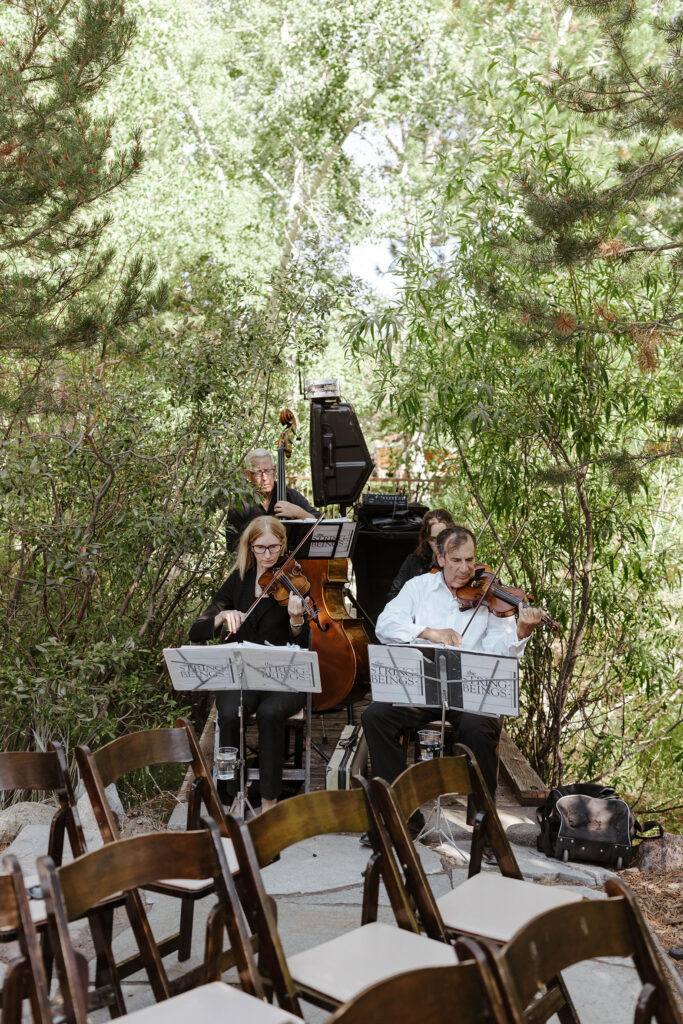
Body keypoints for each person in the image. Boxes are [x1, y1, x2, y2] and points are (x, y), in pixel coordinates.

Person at [361, 524, 542, 838]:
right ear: (440, 557)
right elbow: (386, 624)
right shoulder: (419, 587)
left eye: (470, 560)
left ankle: (484, 827)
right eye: (456, 560)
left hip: (468, 692)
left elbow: (501, 654)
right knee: (376, 716)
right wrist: (429, 632)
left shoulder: (490, 598)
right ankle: (400, 815)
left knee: (480, 725)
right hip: (422, 688)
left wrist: (520, 634)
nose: (465, 568)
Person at [189, 516, 309, 813]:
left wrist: (296, 620)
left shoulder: (293, 581)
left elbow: (304, 641)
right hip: (242, 675)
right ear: (249, 547)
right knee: (229, 712)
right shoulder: (239, 580)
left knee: (270, 713)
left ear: (283, 545)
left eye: (274, 547)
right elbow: (198, 628)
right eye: (260, 548)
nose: (268, 555)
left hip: (283, 676)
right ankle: (235, 793)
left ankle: (269, 799)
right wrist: (222, 616)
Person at [225, 448, 318, 551]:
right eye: (258, 472)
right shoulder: (240, 503)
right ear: (248, 475)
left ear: (274, 471)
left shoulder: (291, 496)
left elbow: (321, 524)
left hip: (292, 565)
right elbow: (233, 546)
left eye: (268, 471)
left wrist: (299, 513)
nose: (264, 478)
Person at [386, 508, 455, 601]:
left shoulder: (459, 562)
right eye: (433, 539)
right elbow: (393, 595)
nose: (438, 544)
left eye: (443, 538)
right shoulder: (413, 561)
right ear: (426, 539)